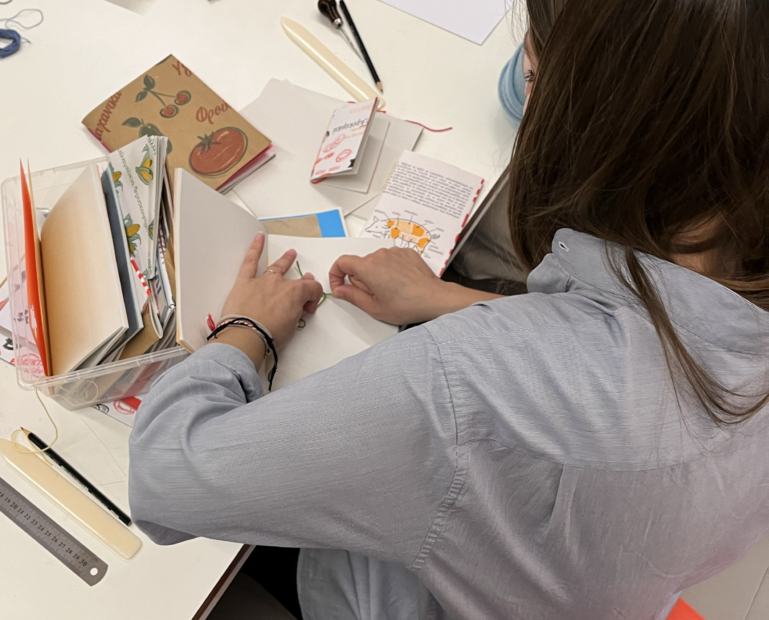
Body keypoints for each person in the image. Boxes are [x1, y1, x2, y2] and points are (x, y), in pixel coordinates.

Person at [128, 0, 769, 618]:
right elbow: (633, 369)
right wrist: (455, 299)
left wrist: (243, 333)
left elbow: (164, 478)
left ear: (604, 127)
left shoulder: (462, 385)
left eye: (538, 78)